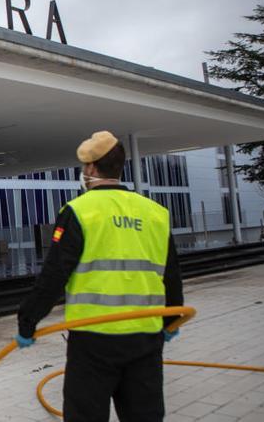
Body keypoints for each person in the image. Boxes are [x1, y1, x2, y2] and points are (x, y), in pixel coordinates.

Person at [16, 131, 184, 422]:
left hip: (93, 341)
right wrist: (172, 320)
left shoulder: (79, 212)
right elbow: (171, 275)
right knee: (145, 415)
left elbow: (54, 275)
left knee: (86, 415)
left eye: (85, 168)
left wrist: (27, 322)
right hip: (146, 336)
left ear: (91, 169)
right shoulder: (156, 213)